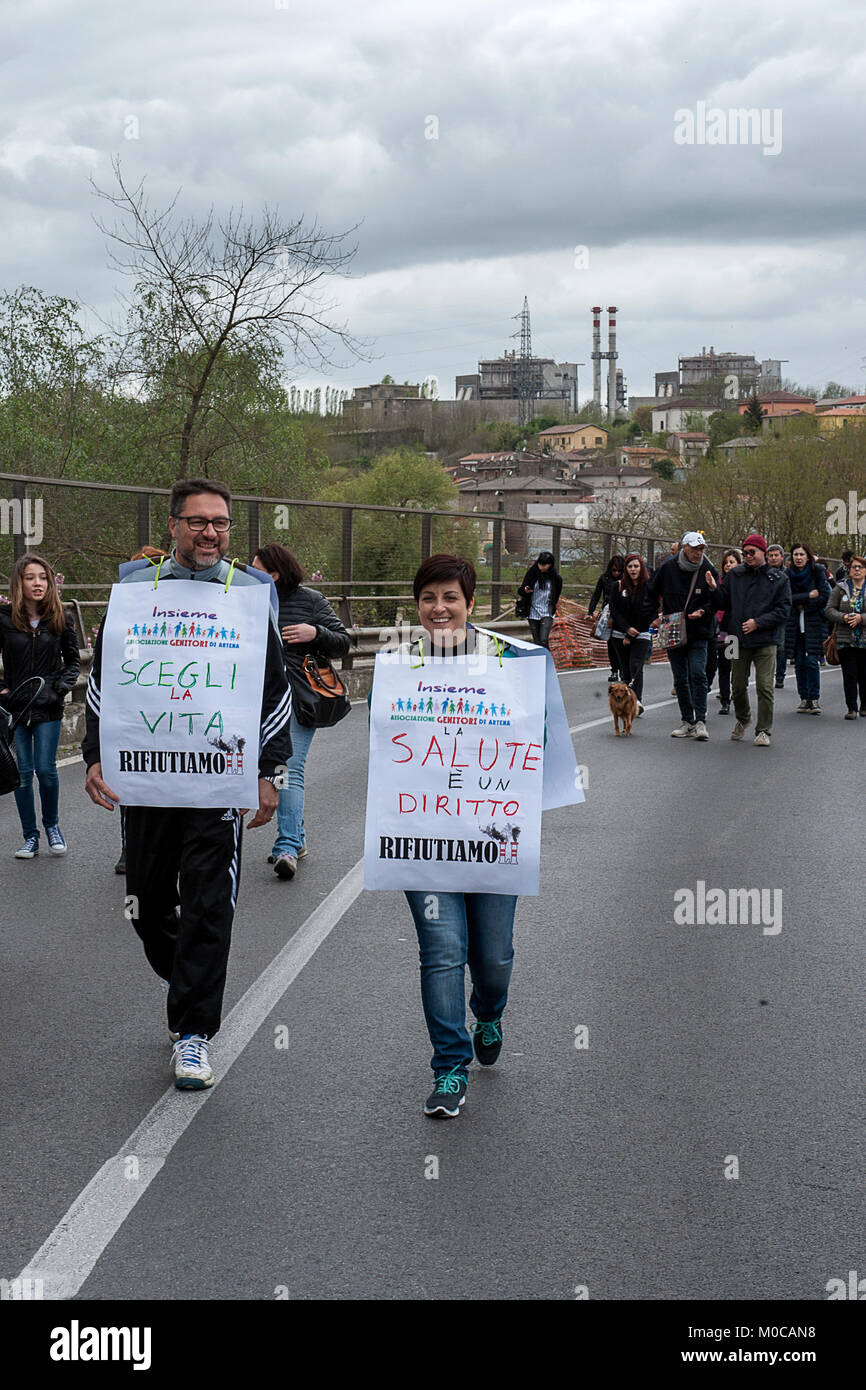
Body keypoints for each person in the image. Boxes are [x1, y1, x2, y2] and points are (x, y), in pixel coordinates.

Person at [83, 480, 292, 1090]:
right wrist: (97, 755)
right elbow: (105, 681)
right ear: (174, 526)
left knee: (207, 902)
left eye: (221, 523)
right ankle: (190, 979)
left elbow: (272, 689)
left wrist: (268, 772)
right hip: (148, 778)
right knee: (146, 907)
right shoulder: (134, 588)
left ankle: (195, 1031)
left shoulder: (250, 592)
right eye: (198, 522)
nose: (210, 533)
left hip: (219, 783)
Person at [390, 554, 526, 1119]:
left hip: (492, 839)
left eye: (451, 597)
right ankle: (449, 1068)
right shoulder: (400, 667)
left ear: (470, 603)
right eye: (428, 598)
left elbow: (536, 745)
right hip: (425, 838)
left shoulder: (511, 662)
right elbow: (387, 751)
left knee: (491, 957)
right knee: (443, 951)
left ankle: (488, 1013)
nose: (439, 608)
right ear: (417, 605)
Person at [252, 542, 350, 880]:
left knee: (287, 767)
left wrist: (315, 632)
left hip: (296, 697)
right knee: (261, 769)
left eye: (258, 569)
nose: (251, 574)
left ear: (275, 574)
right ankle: (298, 836)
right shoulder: (248, 600)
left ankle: (288, 846)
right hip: (255, 697)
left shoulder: (310, 600)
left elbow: (343, 641)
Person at [0, 552, 80, 858]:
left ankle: (52, 826)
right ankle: (29, 837)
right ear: (19, 582)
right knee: (22, 772)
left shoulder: (61, 618)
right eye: (31, 577)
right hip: (16, 708)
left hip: (48, 707)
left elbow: (74, 661)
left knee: (46, 771)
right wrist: (3, 692)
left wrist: (59, 689)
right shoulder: (4, 619)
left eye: (43, 577)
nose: (38, 583)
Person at [114, 547, 169, 876]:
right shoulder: (125, 612)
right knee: (132, 780)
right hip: (136, 711)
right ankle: (130, 847)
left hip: (172, 713)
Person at [709, 533, 791, 747]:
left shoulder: (779, 578)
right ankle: (743, 718)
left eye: (751, 552)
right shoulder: (734, 575)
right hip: (735, 638)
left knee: (764, 686)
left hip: (766, 638)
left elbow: (784, 610)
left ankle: (763, 730)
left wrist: (759, 622)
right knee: (735, 684)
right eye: (744, 553)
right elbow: (722, 603)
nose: (747, 556)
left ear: (763, 552)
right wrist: (713, 589)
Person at [647, 531, 718, 740]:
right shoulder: (668, 568)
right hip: (673, 629)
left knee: (698, 673)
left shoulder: (707, 569)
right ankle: (687, 720)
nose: (698, 553)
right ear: (683, 548)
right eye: (695, 548)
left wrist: (704, 610)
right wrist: (654, 616)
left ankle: (701, 721)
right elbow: (650, 592)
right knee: (680, 678)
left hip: (699, 629)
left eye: (701, 549)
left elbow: (718, 599)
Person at [785, 542, 831, 714]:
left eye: (801, 554)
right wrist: (807, 596)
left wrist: (805, 605)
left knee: (812, 661)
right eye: (795, 554)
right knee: (799, 663)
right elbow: (787, 597)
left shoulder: (817, 571)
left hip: (813, 623)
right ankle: (803, 698)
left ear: (808, 556)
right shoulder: (787, 574)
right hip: (795, 624)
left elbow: (825, 596)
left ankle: (814, 698)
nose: (798, 558)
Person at [609, 553, 654, 711]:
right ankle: (627, 699)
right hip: (619, 633)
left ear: (641, 568)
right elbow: (614, 610)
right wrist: (627, 630)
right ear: (625, 569)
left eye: (636, 566)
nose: (633, 569)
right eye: (630, 567)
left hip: (641, 632)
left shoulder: (648, 587)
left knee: (636, 665)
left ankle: (637, 700)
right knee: (625, 669)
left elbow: (648, 610)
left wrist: (633, 633)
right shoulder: (618, 586)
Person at [825, 554, 866, 717]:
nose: (856, 570)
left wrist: (860, 618)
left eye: (860, 567)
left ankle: (864, 705)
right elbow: (828, 610)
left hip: (864, 640)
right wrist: (843, 617)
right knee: (849, 675)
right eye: (853, 567)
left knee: (864, 675)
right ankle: (851, 708)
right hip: (844, 638)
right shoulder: (840, 587)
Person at [711, 548, 741, 714]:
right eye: (726, 563)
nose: (728, 565)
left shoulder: (742, 583)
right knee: (723, 666)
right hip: (720, 629)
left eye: (732, 562)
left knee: (734, 666)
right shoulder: (718, 582)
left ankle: (737, 694)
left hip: (735, 631)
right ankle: (725, 700)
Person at [587, 554, 625, 682]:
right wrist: (590, 611)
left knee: (622, 642)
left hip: (623, 613)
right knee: (611, 642)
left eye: (619, 571)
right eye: (614, 570)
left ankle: (623, 669)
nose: (616, 573)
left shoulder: (627, 579)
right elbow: (596, 594)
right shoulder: (604, 578)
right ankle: (614, 670)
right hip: (608, 613)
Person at [518, 551, 562, 649]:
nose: (541, 567)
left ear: (550, 565)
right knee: (537, 641)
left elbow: (556, 595)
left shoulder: (556, 578)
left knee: (543, 640)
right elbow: (521, 590)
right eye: (540, 564)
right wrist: (525, 590)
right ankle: (539, 661)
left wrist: (554, 605)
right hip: (533, 611)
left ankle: (547, 661)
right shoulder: (532, 574)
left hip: (547, 611)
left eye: (544, 565)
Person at [765, 545, 788, 688]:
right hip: (766, 613)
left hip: (782, 614)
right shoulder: (763, 573)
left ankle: (780, 675)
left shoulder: (787, 574)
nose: (773, 558)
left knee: (780, 647)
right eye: (771, 555)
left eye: (776, 555)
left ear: (782, 557)